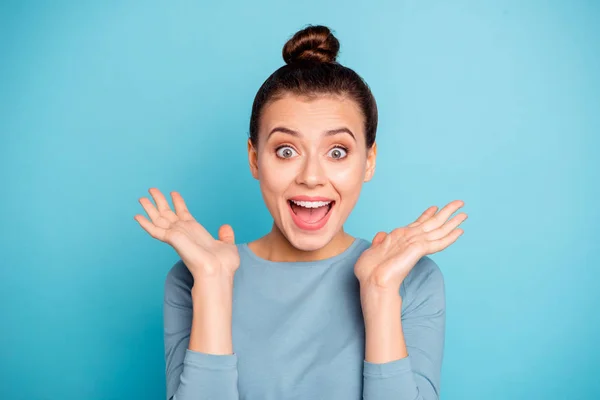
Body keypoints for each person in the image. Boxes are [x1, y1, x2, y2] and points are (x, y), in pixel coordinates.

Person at [134, 24, 467, 400]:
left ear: (369, 161)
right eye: (286, 151)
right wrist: (212, 284)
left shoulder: (411, 280)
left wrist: (379, 292)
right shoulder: (192, 278)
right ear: (254, 159)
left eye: (337, 151)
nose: (311, 177)